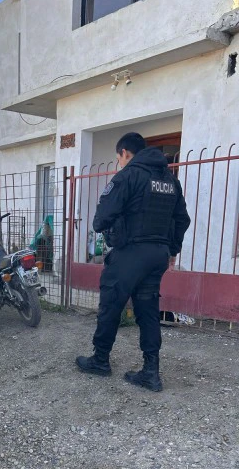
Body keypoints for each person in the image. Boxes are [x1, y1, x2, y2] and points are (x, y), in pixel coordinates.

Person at [76, 133, 190, 391]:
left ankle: (100, 360)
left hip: (130, 253)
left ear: (125, 153)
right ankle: (151, 372)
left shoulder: (128, 175)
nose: (119, 162)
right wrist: (171, 249)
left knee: (111, 304)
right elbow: (182, 219)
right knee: (148, 310)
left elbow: (101, 218)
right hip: (158, 256)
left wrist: (111, 226)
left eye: (118, 158)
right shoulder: (170, 180)